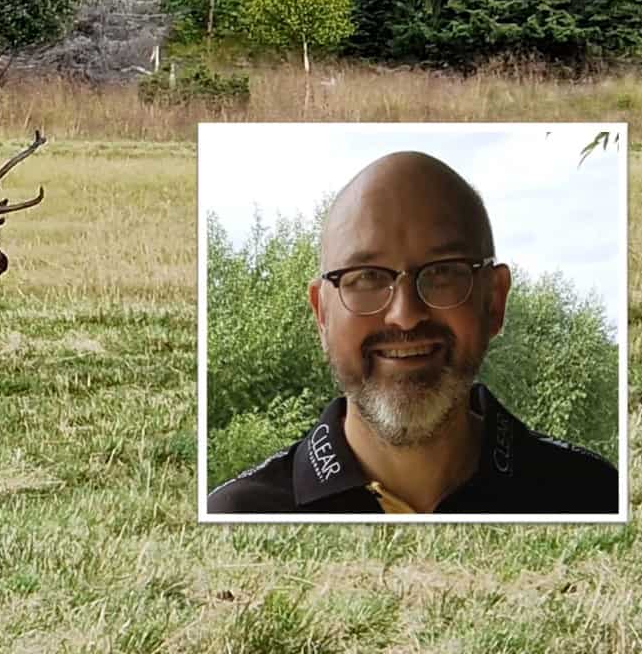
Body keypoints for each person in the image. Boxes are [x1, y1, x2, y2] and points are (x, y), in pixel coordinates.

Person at [207, 151, 619, 514]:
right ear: (322, 314)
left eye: (442, 273)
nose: (405, 316)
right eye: (365, 277)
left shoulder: (593, 495)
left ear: (494, 301)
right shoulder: (237, 514)